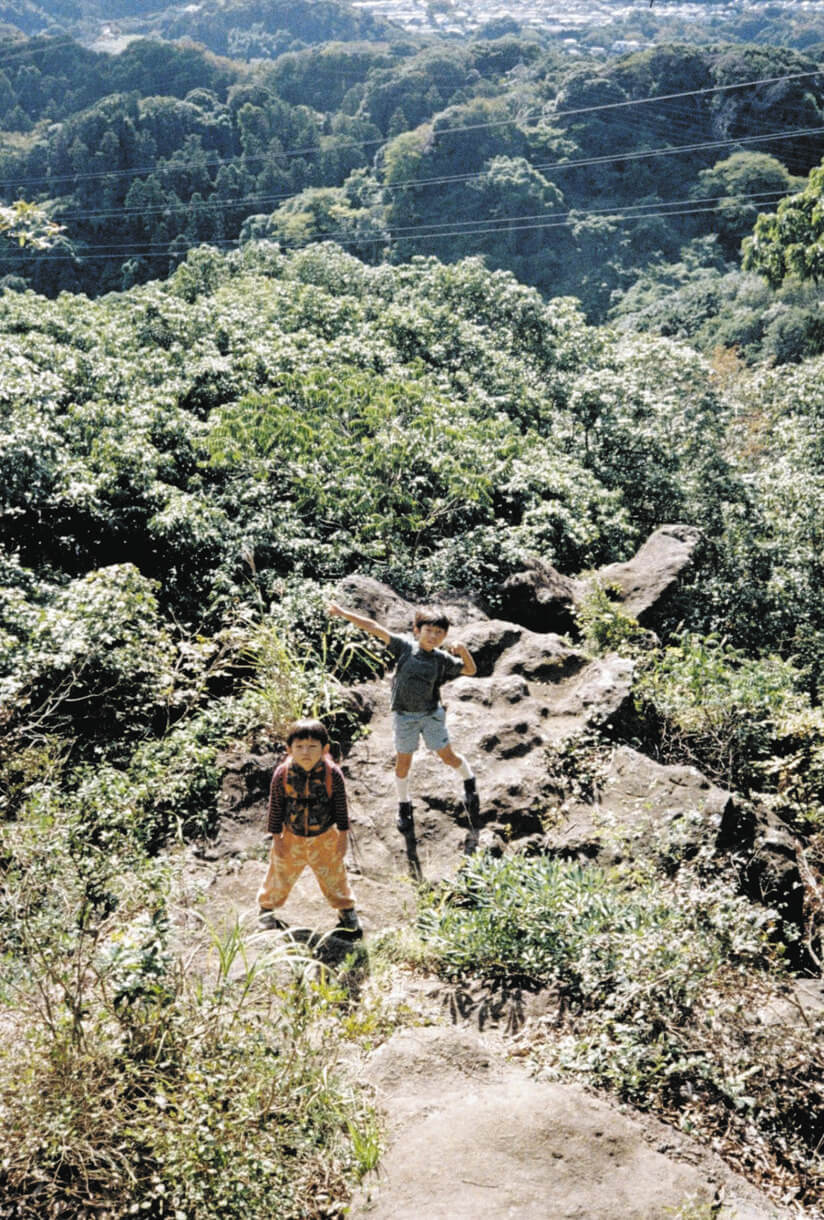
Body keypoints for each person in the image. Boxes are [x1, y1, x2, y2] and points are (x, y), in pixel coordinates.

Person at [327, 601, 479, 838]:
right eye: (428, 630)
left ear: (444, 636)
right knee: (403, 763)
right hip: (404, 717)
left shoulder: (441, 659)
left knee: (447, 756)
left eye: (439, 633)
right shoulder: (405, 647)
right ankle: (404, 804)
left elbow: (470, 670)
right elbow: (374, 627)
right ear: (417, 630)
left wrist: (463, 650)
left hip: (431, 715)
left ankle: (469, 780)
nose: (433, 636)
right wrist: (343, 613)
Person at [257, 718, 362, 937]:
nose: (306, 752)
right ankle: (266, 909)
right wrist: (276, 838)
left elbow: (341, 807)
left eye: (313, 747)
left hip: (324, 836)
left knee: (334, 875)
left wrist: (343, 836)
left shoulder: (332, 774)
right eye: (299, 747)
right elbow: (275, 806)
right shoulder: (282, 774)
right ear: (289, 749)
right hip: (291, 835)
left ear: (325, 749)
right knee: (279, 872)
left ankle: (346, 911)